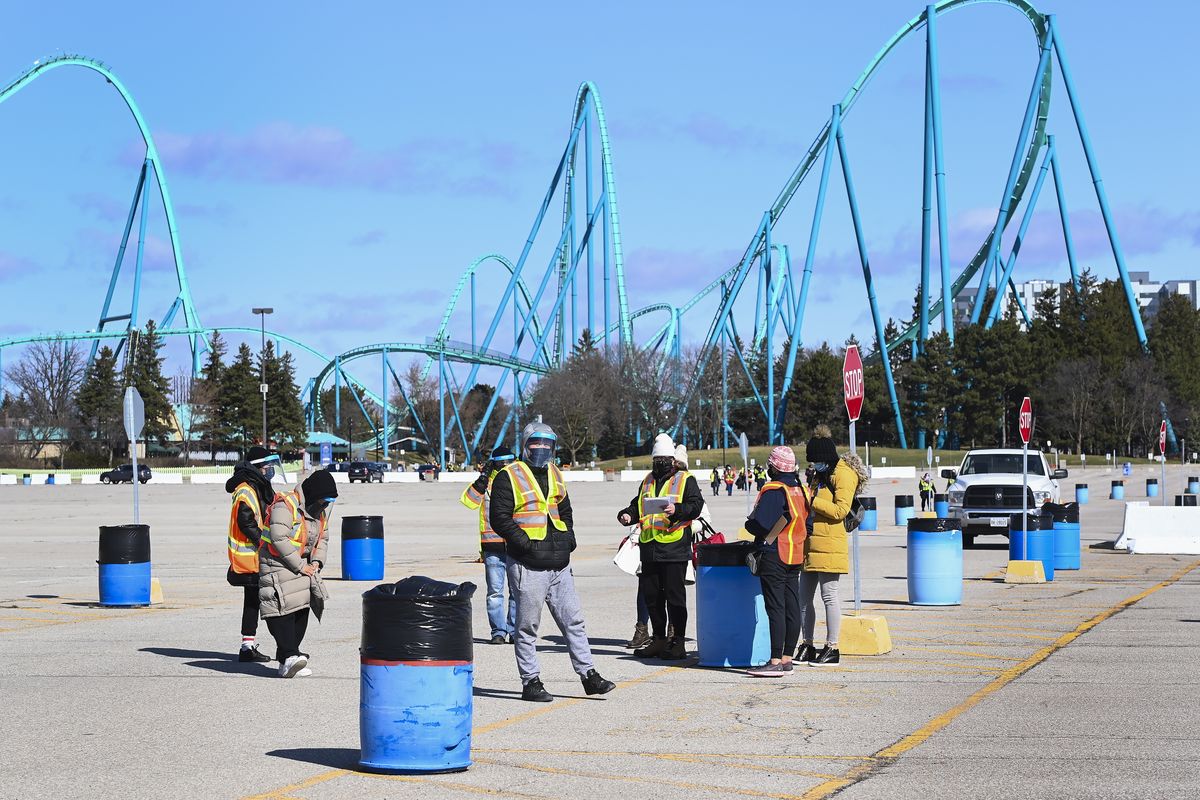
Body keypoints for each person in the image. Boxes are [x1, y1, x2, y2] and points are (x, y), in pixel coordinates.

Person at [489, 421, 615, 702]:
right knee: (527, 626)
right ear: (526, 445)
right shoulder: (509, 475)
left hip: (559, 561)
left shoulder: (555, 473)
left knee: (574, 620)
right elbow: (499, 517)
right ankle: (530, 681)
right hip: (527, 563)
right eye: (537, 443)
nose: (542, 449)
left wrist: (568, 538)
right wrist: (525, 544)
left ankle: (588, 675)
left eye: (548, 444)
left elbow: (565, 510)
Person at [616, 433, 703, 660]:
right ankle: (658, 639)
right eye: (657, 460)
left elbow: (696, 506)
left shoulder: (685, 479)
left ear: (672, 460)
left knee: (675, 598)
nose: (660, 464)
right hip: (650, 547)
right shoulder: (647, 480)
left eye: (664, 459)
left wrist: (678, 510)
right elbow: (638, 505)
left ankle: (677, 641)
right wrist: (627, 515)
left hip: (674, 548)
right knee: (652, 597)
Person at [259, 469, 336, 678]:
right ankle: (290, 654)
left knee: (302, 607)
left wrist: (318, 562)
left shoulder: (319, 512)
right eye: (324, 500)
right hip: (275, 562)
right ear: (313, 495)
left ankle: (288, 659)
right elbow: (278, 538)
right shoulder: (287, 505)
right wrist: (301, 566)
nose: (326, 505)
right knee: (281, 608)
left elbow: (323, 539)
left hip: (302, 564)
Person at [797, 426, 859, 667]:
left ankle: (832, 647)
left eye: (816, 461)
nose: (814, 466)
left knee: (829, 596)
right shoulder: (819, 475)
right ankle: (807, 643)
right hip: (811, 543)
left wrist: (812, 500)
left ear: (827, 458)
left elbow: (841, 511)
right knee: (803, 598)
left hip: (831, 542)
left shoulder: (844, 475)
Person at [745, 446, 809, 677]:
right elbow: (807, 523)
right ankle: (787, 658)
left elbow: (761, 523)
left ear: (775, 466)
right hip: (795, 552)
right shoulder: (799, 489)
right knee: (792, 605)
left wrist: (749, 525)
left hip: (775, 552)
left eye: (770, 463)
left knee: (775, 607)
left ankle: (774, 660)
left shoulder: (775, 489)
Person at [225, 445, 279, 663]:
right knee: (269, 600)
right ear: (258, 468)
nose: (270, 471)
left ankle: (247, 646)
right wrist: (264, 542)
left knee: (254, 601)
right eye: (268, 467)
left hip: (255, 556)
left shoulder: (257, 486)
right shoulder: (247, 489)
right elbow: (246, 522)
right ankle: (286, 648)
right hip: (251, 556)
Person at [460, 446, 518, 644]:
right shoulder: (487, 482)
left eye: (508, 462)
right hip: (491, 544)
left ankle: (514, 631)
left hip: (516, 543)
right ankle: (498, 632)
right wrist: (482, 478)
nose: (505, 466)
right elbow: (468, 501)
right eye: (501, 462)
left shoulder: (518, 479)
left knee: (516, 591)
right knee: (495, 592)